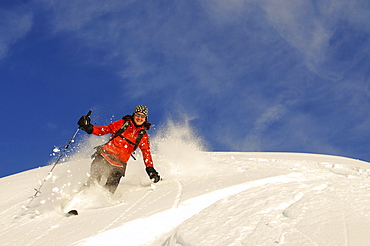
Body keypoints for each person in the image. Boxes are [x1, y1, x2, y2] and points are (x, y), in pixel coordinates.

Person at [77, 105, 160, 194]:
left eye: (143, 116)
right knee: (94, 180)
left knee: (109, 190)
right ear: (133, 115)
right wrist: (88, 128)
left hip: (118, 166)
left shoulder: (142, 135)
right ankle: (79, 199)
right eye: (137, 115)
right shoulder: (123, 124)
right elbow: (104, 130)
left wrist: (150, 169)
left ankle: (99, 205)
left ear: (145, 119)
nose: (139, 118)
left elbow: (146, 153)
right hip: (104, 156)